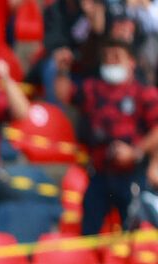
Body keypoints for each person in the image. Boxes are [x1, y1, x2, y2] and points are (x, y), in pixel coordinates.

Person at [60, 39, 158, 233]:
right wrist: (62, 70)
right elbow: (65, 95)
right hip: (100, 172)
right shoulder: (92, 89)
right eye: (106, 57)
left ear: (131, 62)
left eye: (116, 57)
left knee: (134, 231)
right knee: (89, 230)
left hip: (132, 174)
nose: (111, 61)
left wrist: (135, 152)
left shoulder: (143, 92)